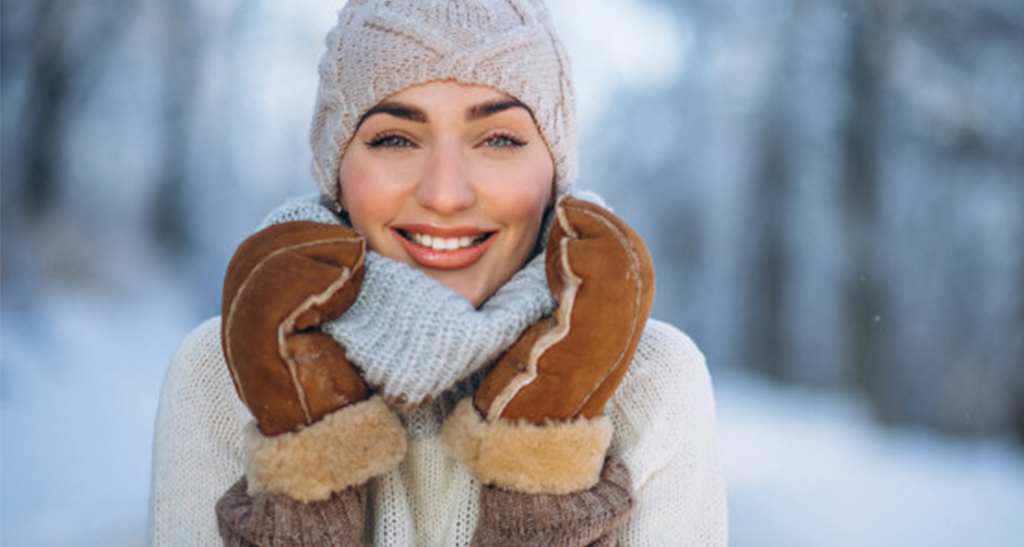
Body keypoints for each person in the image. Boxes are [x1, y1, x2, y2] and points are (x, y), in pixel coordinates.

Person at [148, 0, 728, 545]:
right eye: (395, 138)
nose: (445, 193)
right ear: (337, 172)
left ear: (554, 173)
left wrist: (543, 486)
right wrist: (307, 488)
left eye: (499, 138)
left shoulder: (650, 383)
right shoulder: (228, 372)